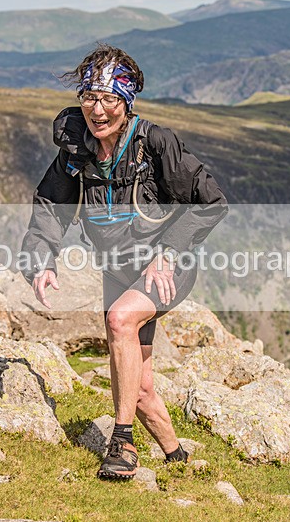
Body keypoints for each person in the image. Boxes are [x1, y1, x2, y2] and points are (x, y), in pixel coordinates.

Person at [20, 43, 228, 480]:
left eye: (109, 99)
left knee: (119, 320)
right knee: (139, 384)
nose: (97, 111)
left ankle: (121, 443)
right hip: (117, 270)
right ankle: (177, 459)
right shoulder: (76, 151)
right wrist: (41, 260)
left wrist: (168, 253)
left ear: (127, 100)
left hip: (167, 268)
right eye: (89, 98)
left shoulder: (156, 144)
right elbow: (50, 204)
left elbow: (211, 202)